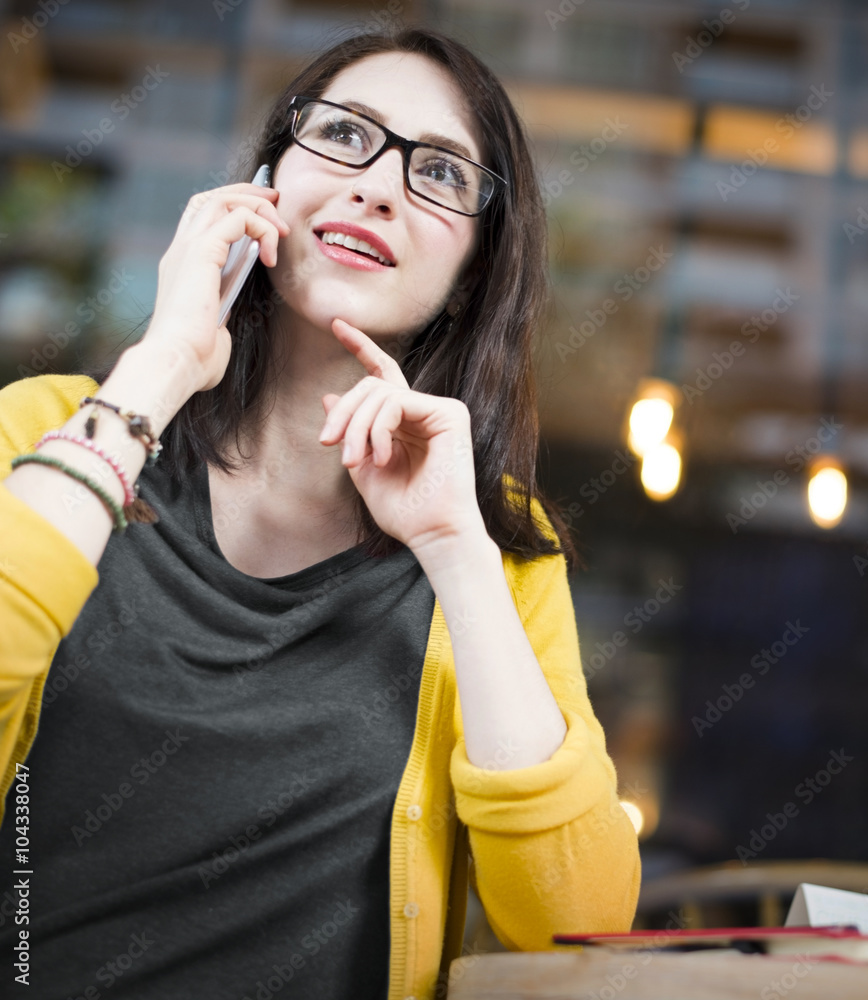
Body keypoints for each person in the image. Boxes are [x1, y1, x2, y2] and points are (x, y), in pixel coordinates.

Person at [0, 26, 640, 1000]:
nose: (379, 185)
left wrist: (455, 551)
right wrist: (161, 369)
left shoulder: (493, 542)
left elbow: (577, 927)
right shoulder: (47, 431)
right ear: (265, 181)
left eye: (440, 174)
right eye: (344, 136)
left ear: (472, 269)